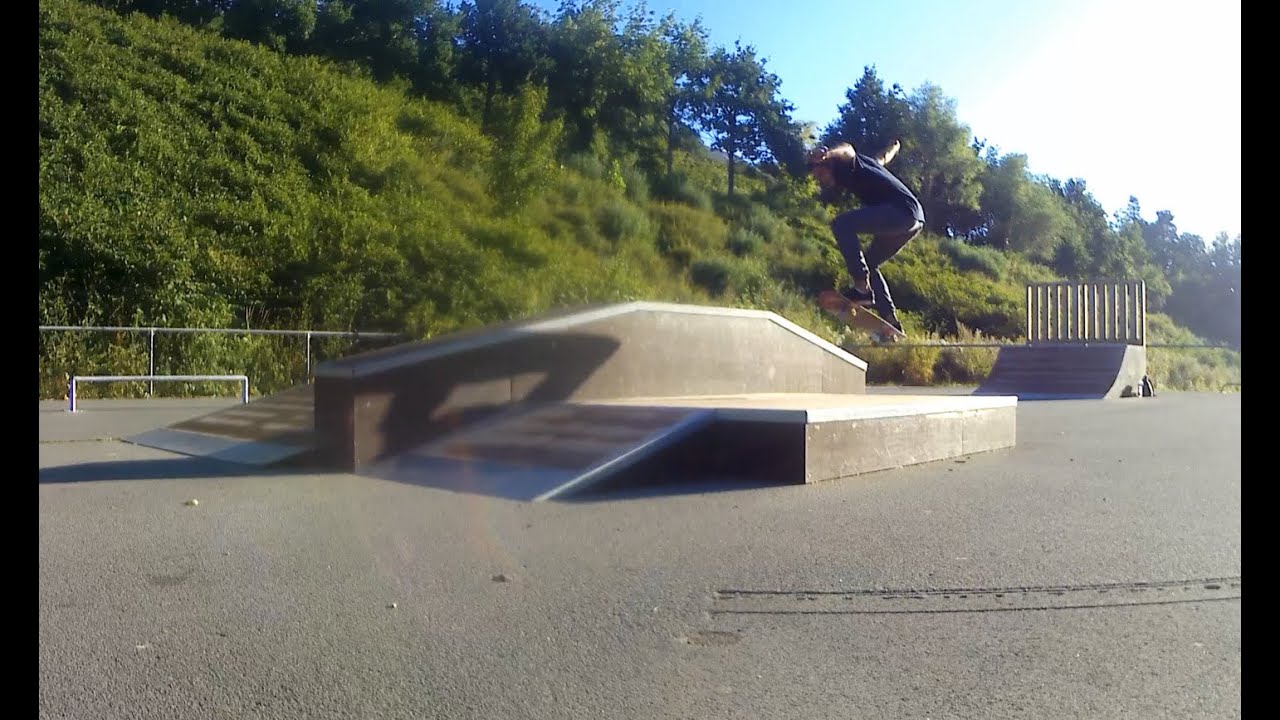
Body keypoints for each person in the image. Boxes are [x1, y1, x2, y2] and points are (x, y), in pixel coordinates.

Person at [806, 139, 925, 338]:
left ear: (828, 164)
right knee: (870, 264)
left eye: (820, 174)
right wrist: (894, 147)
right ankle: (890, 320)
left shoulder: (847, 165)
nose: (820, 180)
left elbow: (848, 149)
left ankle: (862, 288)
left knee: (841, 224)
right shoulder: (869, 165)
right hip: (913, 221)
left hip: (901, 212)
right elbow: (882, 158)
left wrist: (827, 153)